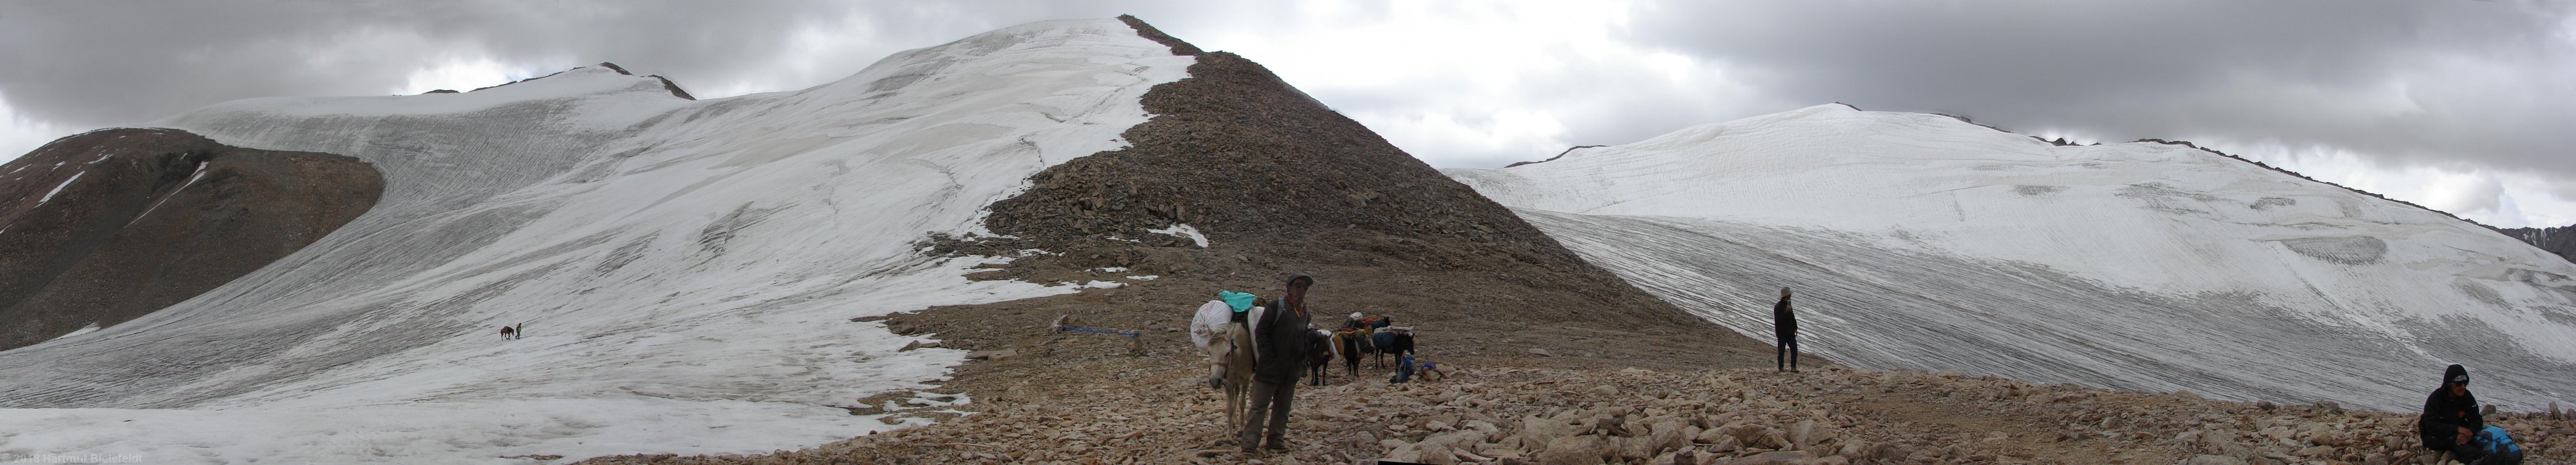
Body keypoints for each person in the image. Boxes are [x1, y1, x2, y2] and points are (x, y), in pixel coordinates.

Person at [1241, 274, 1313, 453]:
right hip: (1270, 369)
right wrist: (1269, 359)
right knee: (1259, 407)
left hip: (1291, 370)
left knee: (1283, 408)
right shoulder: (1277, 306)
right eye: (1297, 286)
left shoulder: (1305, 312)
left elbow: (1304, 339)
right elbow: (1261, 334)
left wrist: (1302, 364)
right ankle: (1249, 445)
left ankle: (1275, 441)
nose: (1301, 290)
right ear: (1289, 287)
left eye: (1305, 288)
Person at [2420, 364, 2484, 457]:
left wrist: (2469, 432)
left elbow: (2477, 420)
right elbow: (2431, 426)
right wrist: (2458, 430)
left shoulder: (2467, 397)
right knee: (2470, 452)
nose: (2462, 387)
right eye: (2459, 383)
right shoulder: (2436, 398)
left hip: (2460, 434)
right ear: (2449, 384)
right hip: (2436, 437)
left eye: (2465, 383)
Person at [1774, 286, 1798, 372]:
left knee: (1794, 349)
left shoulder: (1789, 304)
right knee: (1781, 351)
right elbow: (1779, 320)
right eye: (1790, 294)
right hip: (1782, 333)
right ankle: (1781, 368)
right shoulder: (1778, 307)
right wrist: (1786, 312)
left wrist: (1795, 328)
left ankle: (1793, 367)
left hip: (1790, 332)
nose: (1791, 295)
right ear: (1787, 295)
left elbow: (1793, 317)